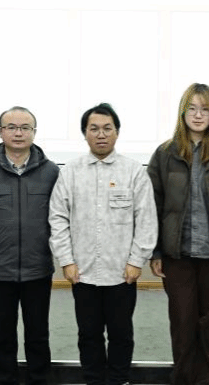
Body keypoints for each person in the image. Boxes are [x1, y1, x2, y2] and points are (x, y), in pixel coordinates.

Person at [147, 83, 209, 385]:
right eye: (191, 108)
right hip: (176, 252)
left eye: (205, 109)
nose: (198, 114)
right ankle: (183, 379)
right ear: (182, 113)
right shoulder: (165, 153)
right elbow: (153, 205)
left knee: (208, 320)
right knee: (182, 321)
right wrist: (155, 251)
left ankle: (208, 380)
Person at [49, 103, 157, 385]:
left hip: (122, 272)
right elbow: (57, 218)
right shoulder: (70, 172)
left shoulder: (133, 172)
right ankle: (93, 380)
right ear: (85, 133)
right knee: (88, 334)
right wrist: (66, 260)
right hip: (82, 271)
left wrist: (136, 261)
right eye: (94, 129)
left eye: (107, 128)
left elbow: (146, 219)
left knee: (122, 334)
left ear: (117, 132)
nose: (101, 134)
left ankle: (119, 380)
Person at [0, 106, 59, 385]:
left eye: (25, 127)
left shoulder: (51, 172)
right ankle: (5, 379)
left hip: (38, 267)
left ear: (34, 132)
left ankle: (39, 379)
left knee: (38, 333)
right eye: (11, 127)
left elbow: (57, 217)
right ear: (0, 132)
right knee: (2, 333)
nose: (18, 133)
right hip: (0, 269)